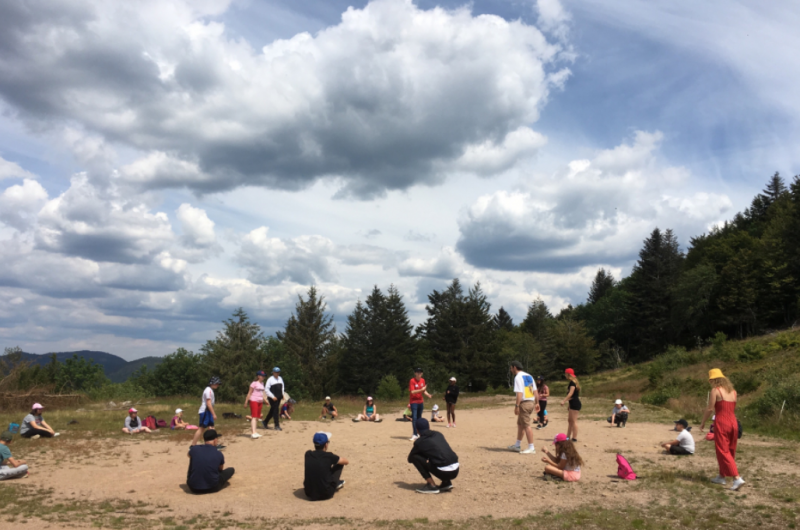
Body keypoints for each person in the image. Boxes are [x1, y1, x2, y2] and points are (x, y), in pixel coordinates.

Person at [700, 368, 745, 491]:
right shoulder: (733, 392)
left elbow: (710, 409)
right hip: (734, 423)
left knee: (722, 450)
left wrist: (703, 422)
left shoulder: (716, 390)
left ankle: (737, 478)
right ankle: (721, 476)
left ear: (714, 380)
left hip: (722, 423)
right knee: (730, 450)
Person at [408, 418, 459, 494]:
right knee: (438, 455)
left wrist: (423, 453)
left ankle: (431, 485)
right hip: (456, 470)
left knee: (415, 457)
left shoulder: (420, 441)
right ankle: (446, 482)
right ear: (428, 427)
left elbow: (410, 458)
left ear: (417, 430)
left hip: (444, 472)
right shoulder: (438, 434)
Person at [304, 432, 349, 501]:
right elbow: (346, 462)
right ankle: (335, 483)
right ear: (326, 445)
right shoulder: (329, 456)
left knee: (318, 468)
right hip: (326, 494)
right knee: (339, 464)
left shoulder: (308, 454)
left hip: (309, 493)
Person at [507, 361, 539, 454]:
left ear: (514, 367)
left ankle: (531, 447)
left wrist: (517, 405)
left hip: (524, 403)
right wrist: (537, 403)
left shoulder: (518, 377)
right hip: (531, 402)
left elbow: (519, 393)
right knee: (520, 424)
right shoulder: (529, 376)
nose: (510, 369)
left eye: (511, 368)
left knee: (526, 425)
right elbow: (535, 391)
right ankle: (517, 445)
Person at [192, 377, 221, 446]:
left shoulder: (210, 390)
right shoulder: (208, 390)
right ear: (212, 383)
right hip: (205, 412)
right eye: (216, 383)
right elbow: (208, 403)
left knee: (212, 427)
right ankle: (193, 445)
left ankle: (214, 444)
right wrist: (213, 414)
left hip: (208, 412)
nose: (218, 385)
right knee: (201, 429)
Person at [409, 368, 432, 441]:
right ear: (415, 373)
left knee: (419, 418)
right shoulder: (412, 381)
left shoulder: (423, 380)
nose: (419, 374)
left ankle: (419, 433)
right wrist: (421, 390)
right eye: (417, 372)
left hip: (420, 401)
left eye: (420, 372)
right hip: (414, 402)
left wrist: (428, 394)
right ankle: (414, 434)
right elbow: (412, 392)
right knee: (414, 418)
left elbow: (424, 390)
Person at [244, 371, 269, 439]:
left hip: (260, 401)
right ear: (258, 376)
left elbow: (262, 393)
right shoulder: (254, 383)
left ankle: (255, 431)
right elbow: (249, 393)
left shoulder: (262, 383)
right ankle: (253, 433)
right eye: (262, 376)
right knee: (254, 417)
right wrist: (246, 402)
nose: (263, 377)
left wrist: (265, 400)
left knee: (258, 417)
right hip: (253, 400)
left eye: (264, 376)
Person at [561, 368, 582, 442]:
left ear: (568, 374)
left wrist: (564, 401)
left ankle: (574, 437)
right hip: (572, 403)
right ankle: (567, 437)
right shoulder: (572, 382)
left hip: (575, 404)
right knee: (570, 421)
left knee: (574, 421)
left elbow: (571, 393)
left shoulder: (573, 383)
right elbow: (572, 396)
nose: (565, 375)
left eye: (565, 374)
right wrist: (569, 405)